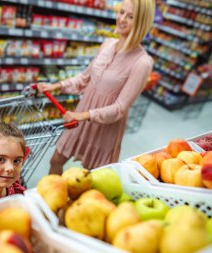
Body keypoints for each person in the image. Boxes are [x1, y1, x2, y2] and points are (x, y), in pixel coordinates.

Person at [37, 0, 155, 175]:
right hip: (80, 117)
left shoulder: (142, 62)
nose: (122, 19)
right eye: (121, 12)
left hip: (104, 128)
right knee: (55, 160)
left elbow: (120, 109)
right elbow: (85, 78)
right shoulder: (107, 44)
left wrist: (82, 115)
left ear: (141, 22)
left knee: (92, 176)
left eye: (130, 16)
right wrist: (56, 85)